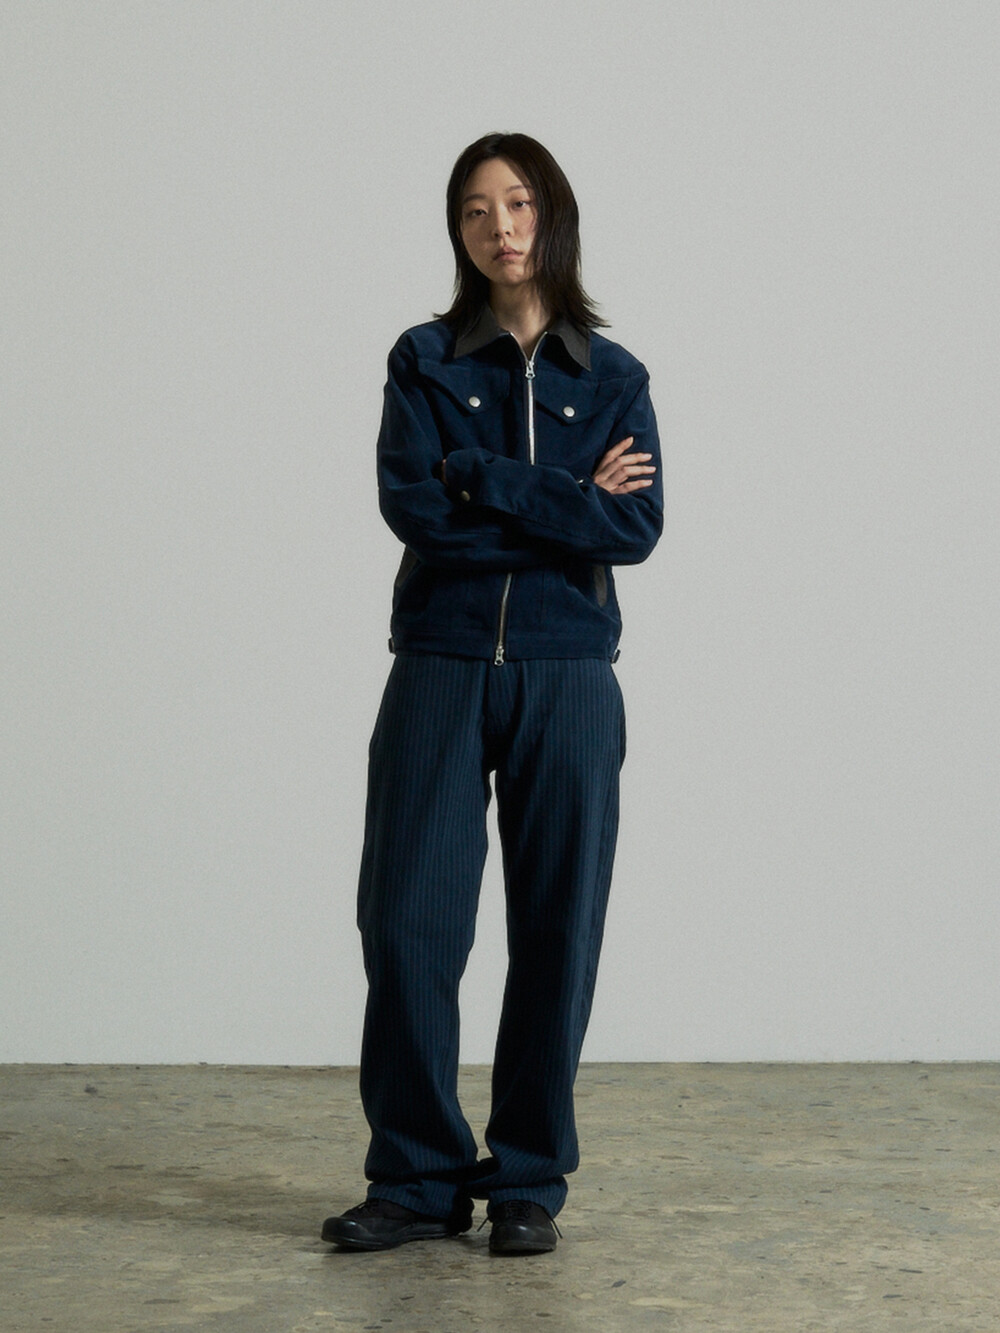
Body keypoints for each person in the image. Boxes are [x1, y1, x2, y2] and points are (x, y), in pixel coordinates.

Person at [322, 132, 662, 1256]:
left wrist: (486, 477)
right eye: (476, 210)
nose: (500, 228)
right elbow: (416, 511)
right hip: (440, 663)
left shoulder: (614, 377)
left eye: (518, 204)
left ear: (552, 216)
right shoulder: (424, 359)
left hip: (570, 676)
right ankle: (417, 1177)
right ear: (457, 231)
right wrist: (563, 499)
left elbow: (634, 525)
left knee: (559, 928)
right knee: (405, 923)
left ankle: (525, 1180)